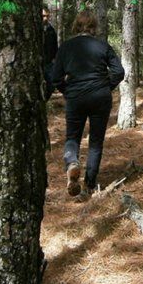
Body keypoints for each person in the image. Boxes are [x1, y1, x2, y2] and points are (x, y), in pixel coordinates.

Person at [50, 10, 125, 198]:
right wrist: (106, 87)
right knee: (96, 141)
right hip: (100, 96)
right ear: (93, 27)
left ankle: (72, 163)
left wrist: (68, 91)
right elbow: (119, 71)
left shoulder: (66, 47)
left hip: (76, 97)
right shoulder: (102, 45)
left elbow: (55, 78)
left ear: (76, 26)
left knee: (72, 137)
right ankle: (89, 186)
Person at [43, 5, 58, 94]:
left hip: (48, 63)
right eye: (43, 16)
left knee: (51, 84)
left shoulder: (51, 30)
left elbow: (54, 46)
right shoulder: (34, 30)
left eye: (47, 16)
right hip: (37, 62)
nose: (45, 18)